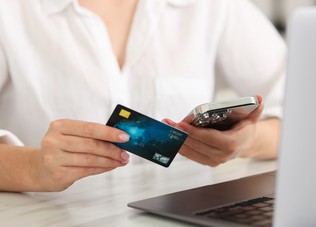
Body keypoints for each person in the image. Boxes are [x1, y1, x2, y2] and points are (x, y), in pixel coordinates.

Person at [0, 0, 287, 192]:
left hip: (182, 226)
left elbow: (309, 118)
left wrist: (247, 141)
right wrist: (34, 168)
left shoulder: (213, 6)